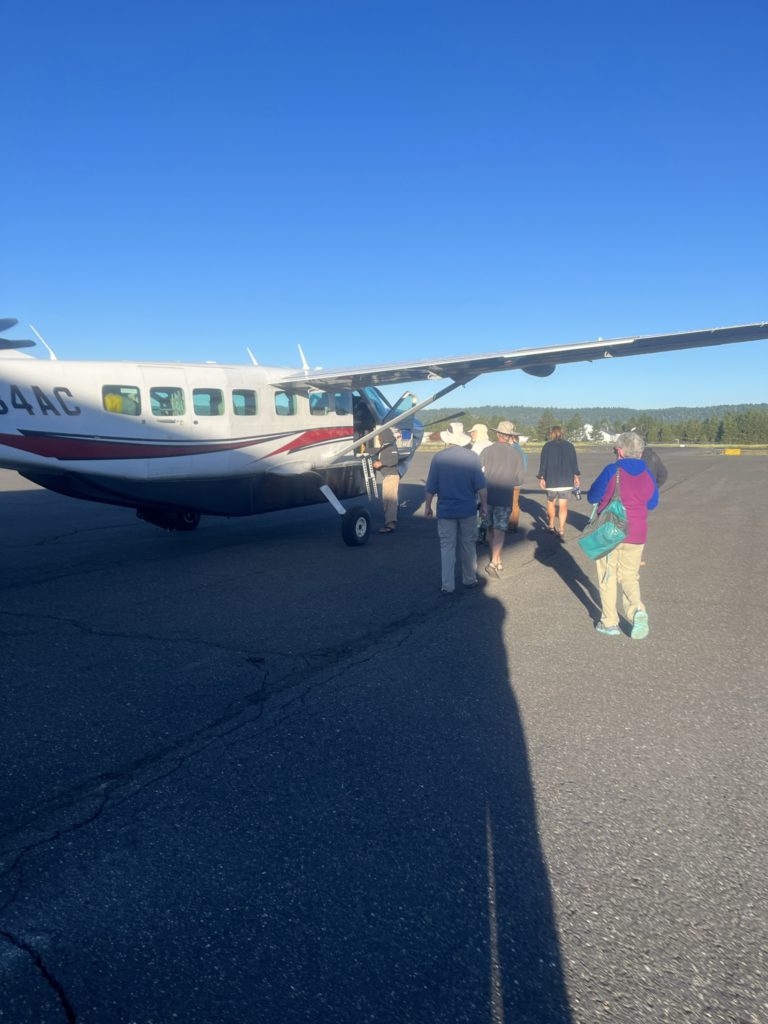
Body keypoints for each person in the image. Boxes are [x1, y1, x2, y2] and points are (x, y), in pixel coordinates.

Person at [586, 431, 659, 639]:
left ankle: (609, 622)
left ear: (619, 450)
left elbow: (593, 495)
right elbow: (652, 503)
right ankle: (637, 611)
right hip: (637, 533)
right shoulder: (647, 474)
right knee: (629, 576)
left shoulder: (612, 471)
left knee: (608, 577)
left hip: (611, 532)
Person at [424, 423, 488, 594]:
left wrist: (428, 506)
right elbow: (481, 486)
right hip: (467, 509)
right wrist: (484, 506)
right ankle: (469, 579)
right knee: (468, 545)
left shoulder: (438, 458)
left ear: (448, 438)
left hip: (446, 510)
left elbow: (431, 486)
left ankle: (448, 585)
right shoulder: (472, 457)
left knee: (447, 547)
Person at [480, 420, 526, 577]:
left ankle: (496, 560)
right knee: (500, 529)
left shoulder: (487, 450)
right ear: (510, 436)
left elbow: (477, 470)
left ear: (498, 434)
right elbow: (519, 480)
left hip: (488, 494)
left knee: (492, 529)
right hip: (505, 496)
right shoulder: (516, 454)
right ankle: (495, 560)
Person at [537, 425, 580, 538]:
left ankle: (551, 525)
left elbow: (543, 463)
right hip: (566, 480)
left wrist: (542, 477)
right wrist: (576, 476)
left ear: (552, 433)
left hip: (551, 479)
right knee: (563, 505)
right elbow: (574, 463)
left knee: (551, 503)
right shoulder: (570, 446)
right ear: (562, 433)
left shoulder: (547, 446)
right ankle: (561, 529)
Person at [372, 427, 400, 533]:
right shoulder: (385, 446)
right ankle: (390, 520)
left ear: (384, 436)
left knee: (390, 501)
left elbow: (394, 459)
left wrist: (381, 463)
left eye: (380, 436)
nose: (379, 438)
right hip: (388, 476)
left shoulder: (391, 446)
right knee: (387, 500)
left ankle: (390, 524)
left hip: (391, 476)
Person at [508, 431, 528, 531]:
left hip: (511, 479)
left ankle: (511, 524)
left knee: (511, 503)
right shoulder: (520, 449)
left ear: (511, 438)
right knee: (515, 503)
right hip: (519, 479)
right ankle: (514, 524)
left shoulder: (512, 449)